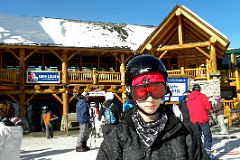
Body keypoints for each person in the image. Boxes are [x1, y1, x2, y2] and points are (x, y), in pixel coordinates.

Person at [97, 53, 209, 159]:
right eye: (141, 91)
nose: (150, 99)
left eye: (157, 90)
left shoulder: (184, 135)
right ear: (131, 94)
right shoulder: (118, 138)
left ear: (165, 91)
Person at [187, 84, 213, 153]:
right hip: (203, 118)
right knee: (207, 134)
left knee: (197, 136)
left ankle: (198, 150)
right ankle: (207, 149)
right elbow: (208, 107)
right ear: (199, 89)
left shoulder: (189, 98)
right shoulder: (202, 96)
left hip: (193, 119)